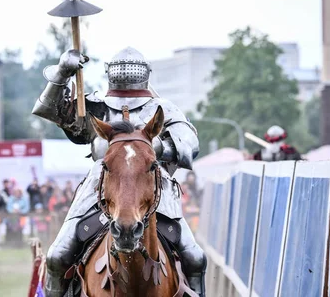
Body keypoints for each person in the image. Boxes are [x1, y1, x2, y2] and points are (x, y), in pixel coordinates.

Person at [32, 47, 206, 296]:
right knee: (58, 256)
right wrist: (62, 72)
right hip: (100, 186)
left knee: (195, 257)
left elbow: (189, 144)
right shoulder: (94, 107)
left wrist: (151, 146)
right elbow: (48, 109)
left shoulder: (163, 108)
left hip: (152, 186)